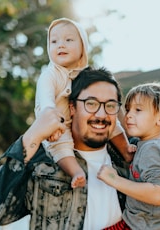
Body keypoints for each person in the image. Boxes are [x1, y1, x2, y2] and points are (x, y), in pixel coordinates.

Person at [0, 67, 160, 229]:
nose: (101, 115)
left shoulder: (130, 153)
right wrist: (32, 135)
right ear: (72, 108)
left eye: (110, 105)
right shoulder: (43, 160)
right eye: (91, 103)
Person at [34, 18, 135, 188]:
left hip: (78, 122)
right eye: (54, 41)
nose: (61, 45)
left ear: (83, 47)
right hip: (54, 125)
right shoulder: (50, 75)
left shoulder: (86, 76)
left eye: (68, 40)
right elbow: (46, 103)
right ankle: (76, 172)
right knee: (61, 146)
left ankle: (126, 149)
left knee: (111, 120)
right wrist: (52, 125)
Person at [98, 82, 160, 229]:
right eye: (128, 109)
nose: (129, 115)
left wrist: (113, 179)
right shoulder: (153, 146)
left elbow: (158, 194)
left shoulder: (151, 149)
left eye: (138, 110)